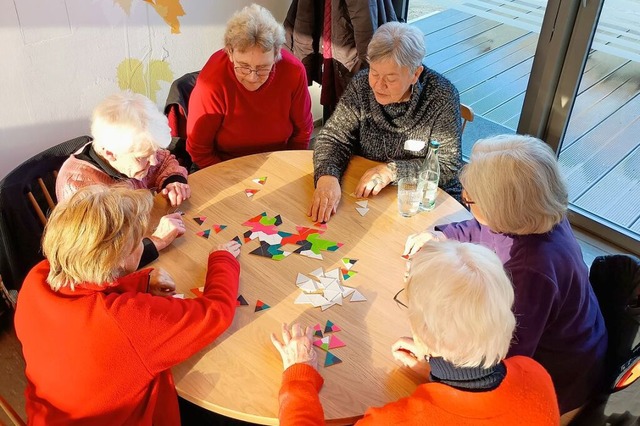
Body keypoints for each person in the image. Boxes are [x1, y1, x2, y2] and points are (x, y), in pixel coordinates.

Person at [404, 134, 607, 419]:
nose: (466, 202)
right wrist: (440, 235)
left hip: (557, 381)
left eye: (470, 200)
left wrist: (434, 363)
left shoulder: (531, 271)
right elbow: (485, 228)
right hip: (574, 341)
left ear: (503, 211)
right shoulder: (537, 213)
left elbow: (499, 358)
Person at [14, 184, 241, 425]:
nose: (144, 242)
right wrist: (222, 260)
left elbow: (89, 300)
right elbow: (216, 313)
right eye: (140, 239)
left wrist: (140, 281)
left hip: (48, 415)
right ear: (121, 258)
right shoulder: (125, 320)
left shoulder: (37, 277)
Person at [272, 240, 560, 425]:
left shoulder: (392, 421)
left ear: (424, 331)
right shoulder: (535, 374)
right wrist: (437, 371)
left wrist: (300, 377)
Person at [309, 21, 462, 223]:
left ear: (415, 74)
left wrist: (392, 170)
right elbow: (334, 137)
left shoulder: (441, 96)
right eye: (374, 73)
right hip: (368, 194)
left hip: (422, 200)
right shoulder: (362, 84)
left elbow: (447, 165)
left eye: (390, 78)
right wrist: (327, 175)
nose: (378, 85)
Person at [56, 91, 190, 267]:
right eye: (143, 157)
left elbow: (165, 161)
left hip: (143, 230)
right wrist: (157, 241)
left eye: (154, 152)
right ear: (109, 153)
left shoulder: (132, 150)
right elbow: (103, 263)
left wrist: (172, 181)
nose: (154, 161)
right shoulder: (81, 189)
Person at [187, 4, 313, 169]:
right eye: (243, 66)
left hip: (278, 161)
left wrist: (287, 167)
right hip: (223, 164)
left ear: (276, 55)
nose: (253, 77)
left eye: (263, 68)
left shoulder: (293, 72)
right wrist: (231, 177)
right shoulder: (211, 81)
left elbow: (302, 132)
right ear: (230, 52)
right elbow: (199, 149)